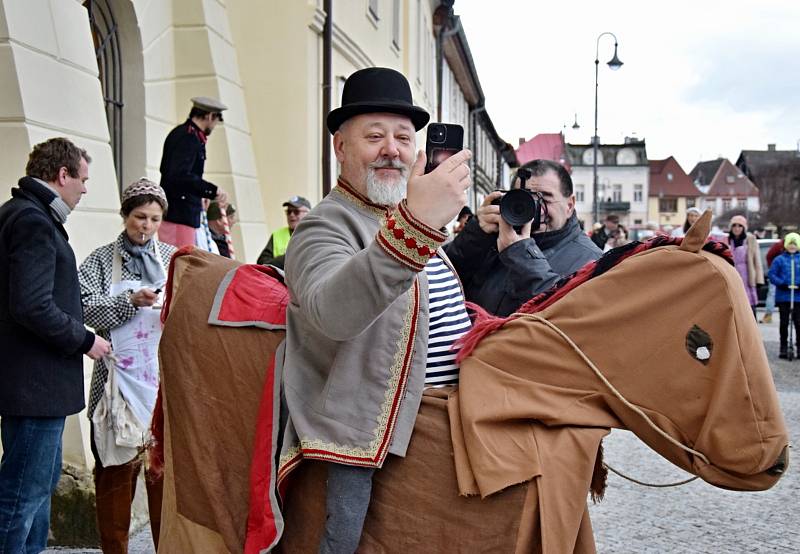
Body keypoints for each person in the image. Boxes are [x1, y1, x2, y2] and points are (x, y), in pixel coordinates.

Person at [278, 66, 472, 553]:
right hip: (359, 431)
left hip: (438, 415)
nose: (392, 149)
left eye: (404, 138)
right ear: (340, 148)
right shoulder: (324, 225)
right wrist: (416, 224)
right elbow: (332, 312)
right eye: (375, 136)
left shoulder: (401, 217)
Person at [0, 138, 111, 552]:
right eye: (82, 179)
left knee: (36, 489)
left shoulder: (27, 215)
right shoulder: (32, 220)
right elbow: (31, 305)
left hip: (34, 386)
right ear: (61, 175)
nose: (84, 189)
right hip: (35, 387)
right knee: (20, 496)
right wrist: (86, 340)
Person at [78, 179, 175, 553]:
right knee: (114, 483)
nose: (145, 226)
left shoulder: (173, 258)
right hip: (113, 389)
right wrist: (129, 302)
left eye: (153, 219)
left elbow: (192, 309)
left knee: (163, 482)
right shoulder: (100, 261)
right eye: (139, 217)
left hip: (161, 388)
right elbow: (82, 306)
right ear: (124, 216)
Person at [445, 159, 602, 317]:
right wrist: (476, 235)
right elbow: (440, 281)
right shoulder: (491, 239)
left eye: (545, 199)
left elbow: (567, 318)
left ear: (570, 205)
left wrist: (521, 254)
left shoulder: (592, 261)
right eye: (525, 199)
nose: (536, 210)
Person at [158, 96, 229, 247]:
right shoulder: (188, 138)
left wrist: (201, 194)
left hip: (181, 212)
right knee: (179, 264)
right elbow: (180, 175)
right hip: (179, 214)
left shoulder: (190, 135)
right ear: (210, 116)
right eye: (217, 120)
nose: (215, 125)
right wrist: (212, 191)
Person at [768, 233, 800, 359]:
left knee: (799, 322)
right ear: (786, 245)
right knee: (784, 322)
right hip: (784, 296)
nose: (792, 246)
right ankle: (783, 347)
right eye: (790, 244)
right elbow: (772, 275)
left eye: (795, 244)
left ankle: (799, 346)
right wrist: (782, 284)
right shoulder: (779, 259)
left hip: (798, 297)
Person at [256, 196, 311, 268]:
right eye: (288, 211)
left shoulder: (316, 234)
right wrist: (288, 258)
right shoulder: (277, 235)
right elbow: (262, 263)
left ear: (309, 214)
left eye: (296, 211)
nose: (291, 215)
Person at [727, 215, 764, 319]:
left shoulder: (750, 239)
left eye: (740, 226)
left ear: (744, 228)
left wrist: (759, 280)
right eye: (734, 226)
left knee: (749, 307)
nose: (737, 228)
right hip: (732, 275)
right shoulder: (727, 240)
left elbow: (757, 260)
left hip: (747, 276)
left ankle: (751, 332)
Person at [761, 239, 785, 324]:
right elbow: (769, 256)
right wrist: (773, 268)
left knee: (772, 294)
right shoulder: (778, 245)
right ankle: (768, 315)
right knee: (772, 293)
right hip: (777, 273)